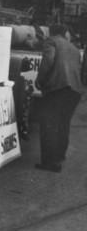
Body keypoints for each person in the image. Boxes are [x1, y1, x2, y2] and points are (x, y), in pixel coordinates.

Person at [34, 23, 83, 173]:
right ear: (65, 33)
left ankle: (51, 162)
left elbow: (48, 60)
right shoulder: (74, 48)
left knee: (49, 124)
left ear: (51, 32)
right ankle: (60, 155)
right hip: (74, 91)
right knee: (63, 123)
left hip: (58, 88)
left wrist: (40, 80)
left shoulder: (51, 41)